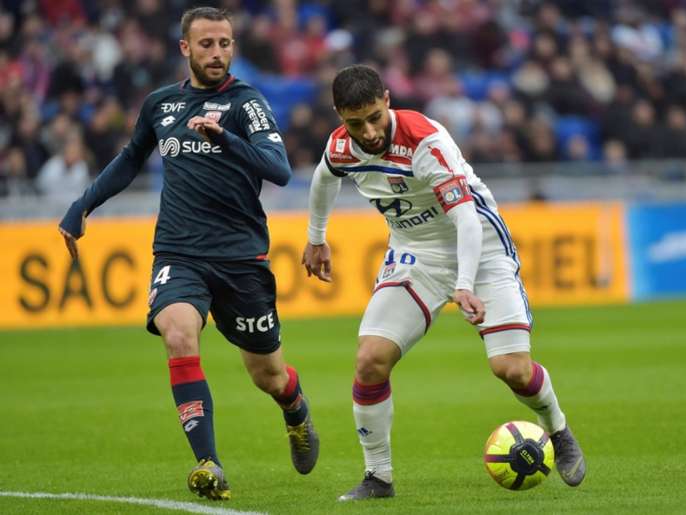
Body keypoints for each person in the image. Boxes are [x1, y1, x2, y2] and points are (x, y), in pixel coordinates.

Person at [58, 7, 319, 501]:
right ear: (185, 48)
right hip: (179, 252)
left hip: (242, 258)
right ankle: (209, 463)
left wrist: (227, 139)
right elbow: (131, 158)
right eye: (207, 44)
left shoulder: (248, 103)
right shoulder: (160, 104)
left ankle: (295, 407)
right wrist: (81, 204)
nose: (217, 53)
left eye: (224, 43)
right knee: (178, 333)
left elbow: (280, 170)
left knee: (268, 374)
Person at [302, 65, 586, 501]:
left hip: (482, 249)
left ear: (388, 100)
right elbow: (323, 179)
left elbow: (466, 218)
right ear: (340, 115)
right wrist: (316, 239)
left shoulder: (424, 142)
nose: (369, 131)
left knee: (511, 369)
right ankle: (378, 478)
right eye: (355, 122)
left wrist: (466, 284)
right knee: (370, 359)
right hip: (416, 254)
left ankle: (560, 430)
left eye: (375, 116)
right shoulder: (341, 146)